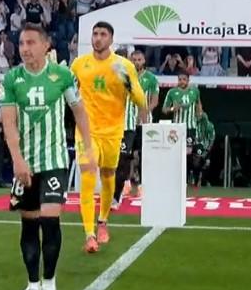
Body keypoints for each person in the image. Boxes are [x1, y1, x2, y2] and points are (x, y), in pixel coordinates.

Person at [0, 23, 96, 290]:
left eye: (31, 43)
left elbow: (79, 113)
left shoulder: (62, 75)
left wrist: (89, 148)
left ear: (45, 46)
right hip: (25, 164)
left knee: (49, 221)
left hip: (54, 161)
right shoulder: (12, 79)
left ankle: (51, 282)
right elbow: (9, 123)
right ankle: (33, 284)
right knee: (28, 226)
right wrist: (17, 160)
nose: (25, 49)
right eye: (21, 44)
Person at [70, 22, 146, 253]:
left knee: (108, 175)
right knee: (87, 177)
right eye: (95, 34)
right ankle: (89, 234)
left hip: (113, 132)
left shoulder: (123, 65)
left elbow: (140, 99)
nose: (98, 38)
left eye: (103, 34)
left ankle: (103, 221)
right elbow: (68, 90)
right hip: (86, 132)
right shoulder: (79, 64)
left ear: (111, 39)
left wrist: (131, 88)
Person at [114, 49, 159, 205]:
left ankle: (142, 186)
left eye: (139, 59)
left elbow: (154, 100)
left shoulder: (151, 78)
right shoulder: (125, 77)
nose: (136, 62)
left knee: (143, 155)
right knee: (126, 155)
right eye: (134, 59)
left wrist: (145, 111)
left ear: (144, 61)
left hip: (144, 123)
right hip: (127, 122)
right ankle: (126, 184)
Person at [162, 71, 204, 189]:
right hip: (176, 128)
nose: (181, 82)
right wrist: (172, 109)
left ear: (188, 80)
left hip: (190, 127)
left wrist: (199, 113)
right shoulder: (172, 92)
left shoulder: (195, 91)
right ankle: (180, 179)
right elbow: (164, 109)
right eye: (179, 79)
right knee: (176, 154)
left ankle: (189, 178)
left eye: (184, 79)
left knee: (188, 153)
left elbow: (198, 104)